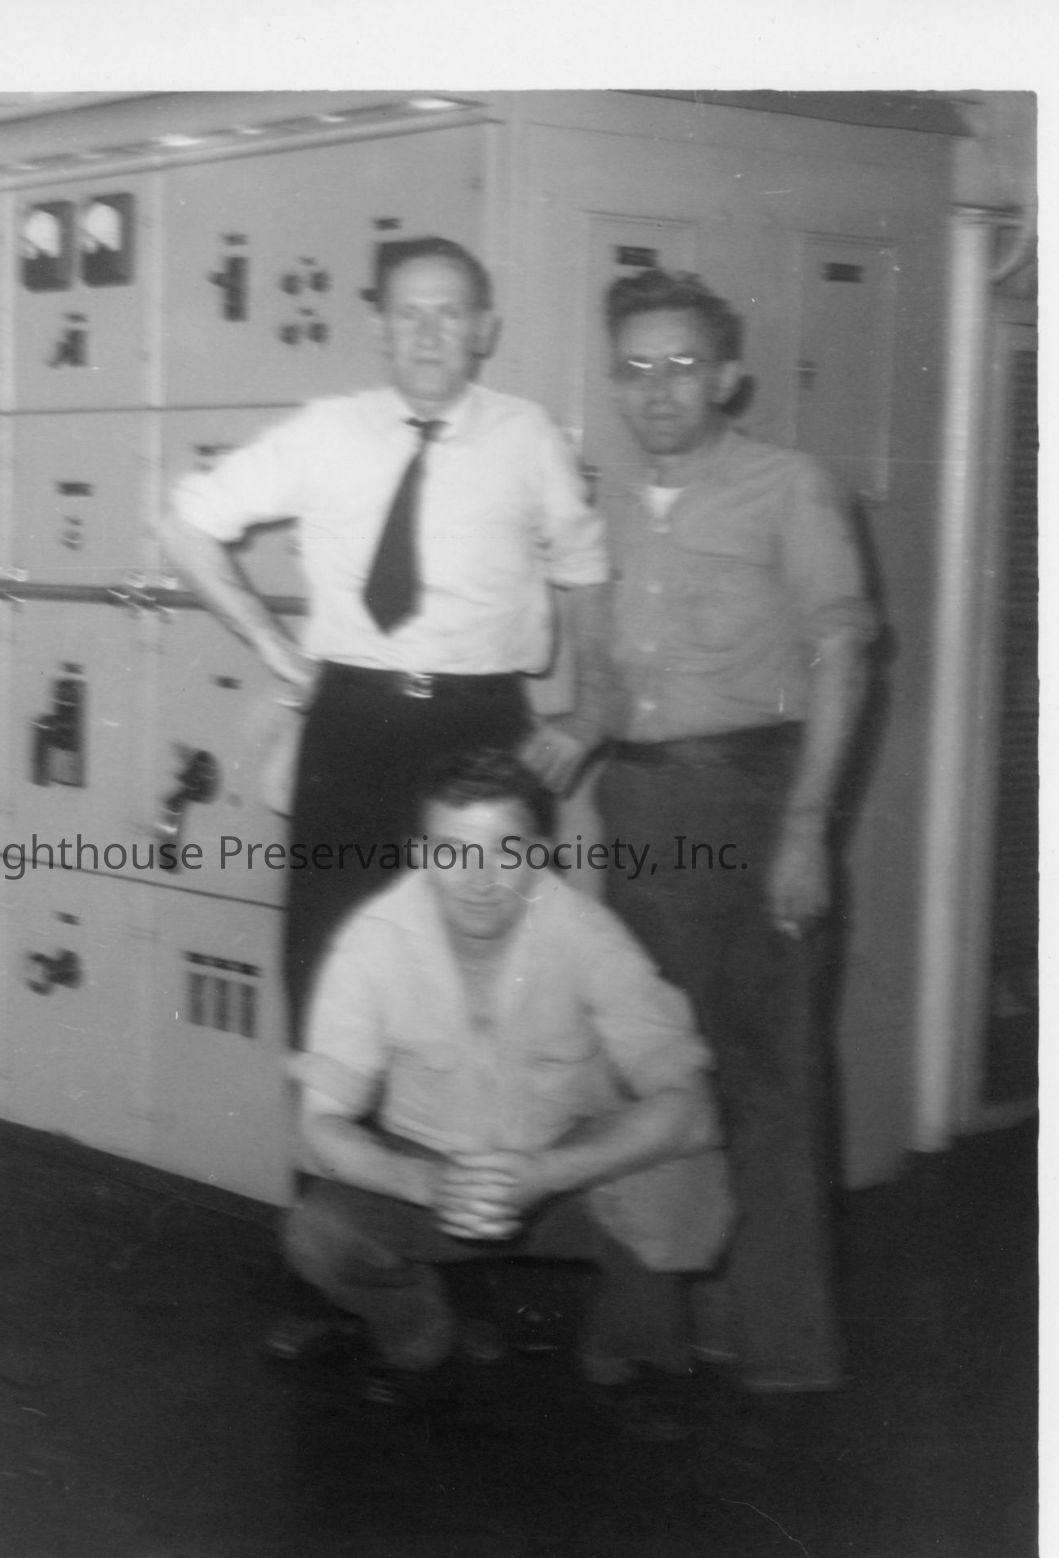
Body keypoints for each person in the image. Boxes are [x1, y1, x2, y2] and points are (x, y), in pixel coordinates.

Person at [160, 236, 611, 1028]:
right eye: (409, 314)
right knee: (332, 965)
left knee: (494, 977)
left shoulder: (528, 436)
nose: (428, 335)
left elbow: (586, 568)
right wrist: (271, 644)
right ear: (379, 329)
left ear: (485, 329)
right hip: (351, 731)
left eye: (450, 314)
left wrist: (591, 708)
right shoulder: (325, 431)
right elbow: (186, 523)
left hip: (484, 730)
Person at [588, 268, 878, 1398]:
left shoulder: (790, 487)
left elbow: (844, 655)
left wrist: (806, 828)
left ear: (727, 377)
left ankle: (784, 1347)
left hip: (751, 800)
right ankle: (649, 1326)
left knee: (766, 1073)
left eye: (683, 365)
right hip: (635, 804)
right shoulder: (603, 496)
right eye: (636, 367)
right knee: (645, 1061)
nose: (659, 389)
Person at [285, 751, 730, 1437]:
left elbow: (693, 1108)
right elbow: (318, 1128)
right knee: (318, 1233)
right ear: (421, 855)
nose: (479, 878)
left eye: (506, 849)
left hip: (565, 1175)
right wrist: (427, 1183)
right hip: (432, 1178)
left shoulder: (587, 932)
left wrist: (548, 1172)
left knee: (685, 1178)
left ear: (541, 854)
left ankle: (627, 1355)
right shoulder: (371, 941)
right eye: (452, 852)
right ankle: (418, 1330)